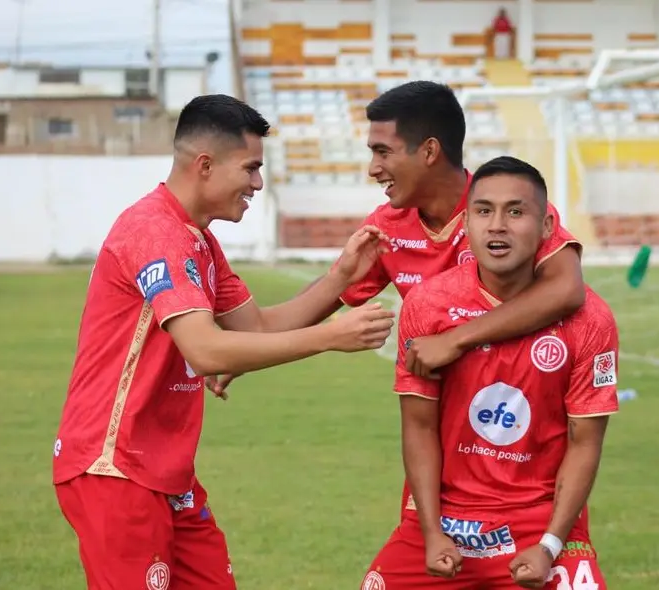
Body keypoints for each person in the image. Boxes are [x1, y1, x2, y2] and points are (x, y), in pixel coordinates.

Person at [52, 94, 396, 590]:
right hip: (115, 466)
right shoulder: (156, 232)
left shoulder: (198, 240)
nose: (257, 183)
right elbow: (206, 350)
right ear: (205, 165)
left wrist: (341, 276)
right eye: (251, 168)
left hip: (166, 471)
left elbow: (255, 328)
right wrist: (328, 338)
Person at [210, 81, 585, 521]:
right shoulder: (389, 226)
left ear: (428, 151)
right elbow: (308, 308)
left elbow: (565, 288)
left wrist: (456, 339)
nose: (373, 168)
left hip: (525, 443)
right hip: (443, 442)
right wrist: (245, 352)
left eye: (383, 152)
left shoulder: (501, 205)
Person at [360, 156, 618, 590]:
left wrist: (550, 545)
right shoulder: (428, 305)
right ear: (467, 224)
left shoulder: (591, 320)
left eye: (516, 212)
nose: (497, 225)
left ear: (547, 228)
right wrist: (430, 532)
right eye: (483, 211)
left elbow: (585, 442)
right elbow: (418, 428)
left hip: (541, 525)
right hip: (445, 519)